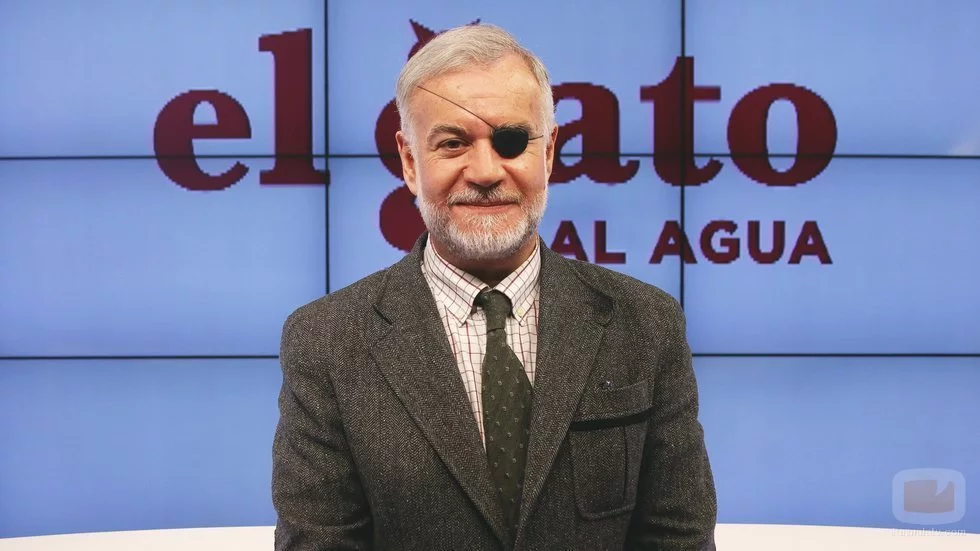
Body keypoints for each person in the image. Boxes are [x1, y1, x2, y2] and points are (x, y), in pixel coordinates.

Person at [271, 23, 717, 550]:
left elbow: (677, 538)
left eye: (511, 141)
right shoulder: (326, 341)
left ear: (548, 153)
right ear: (410, 162)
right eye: (453, 143)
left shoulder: (645, 323)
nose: (485, 171)